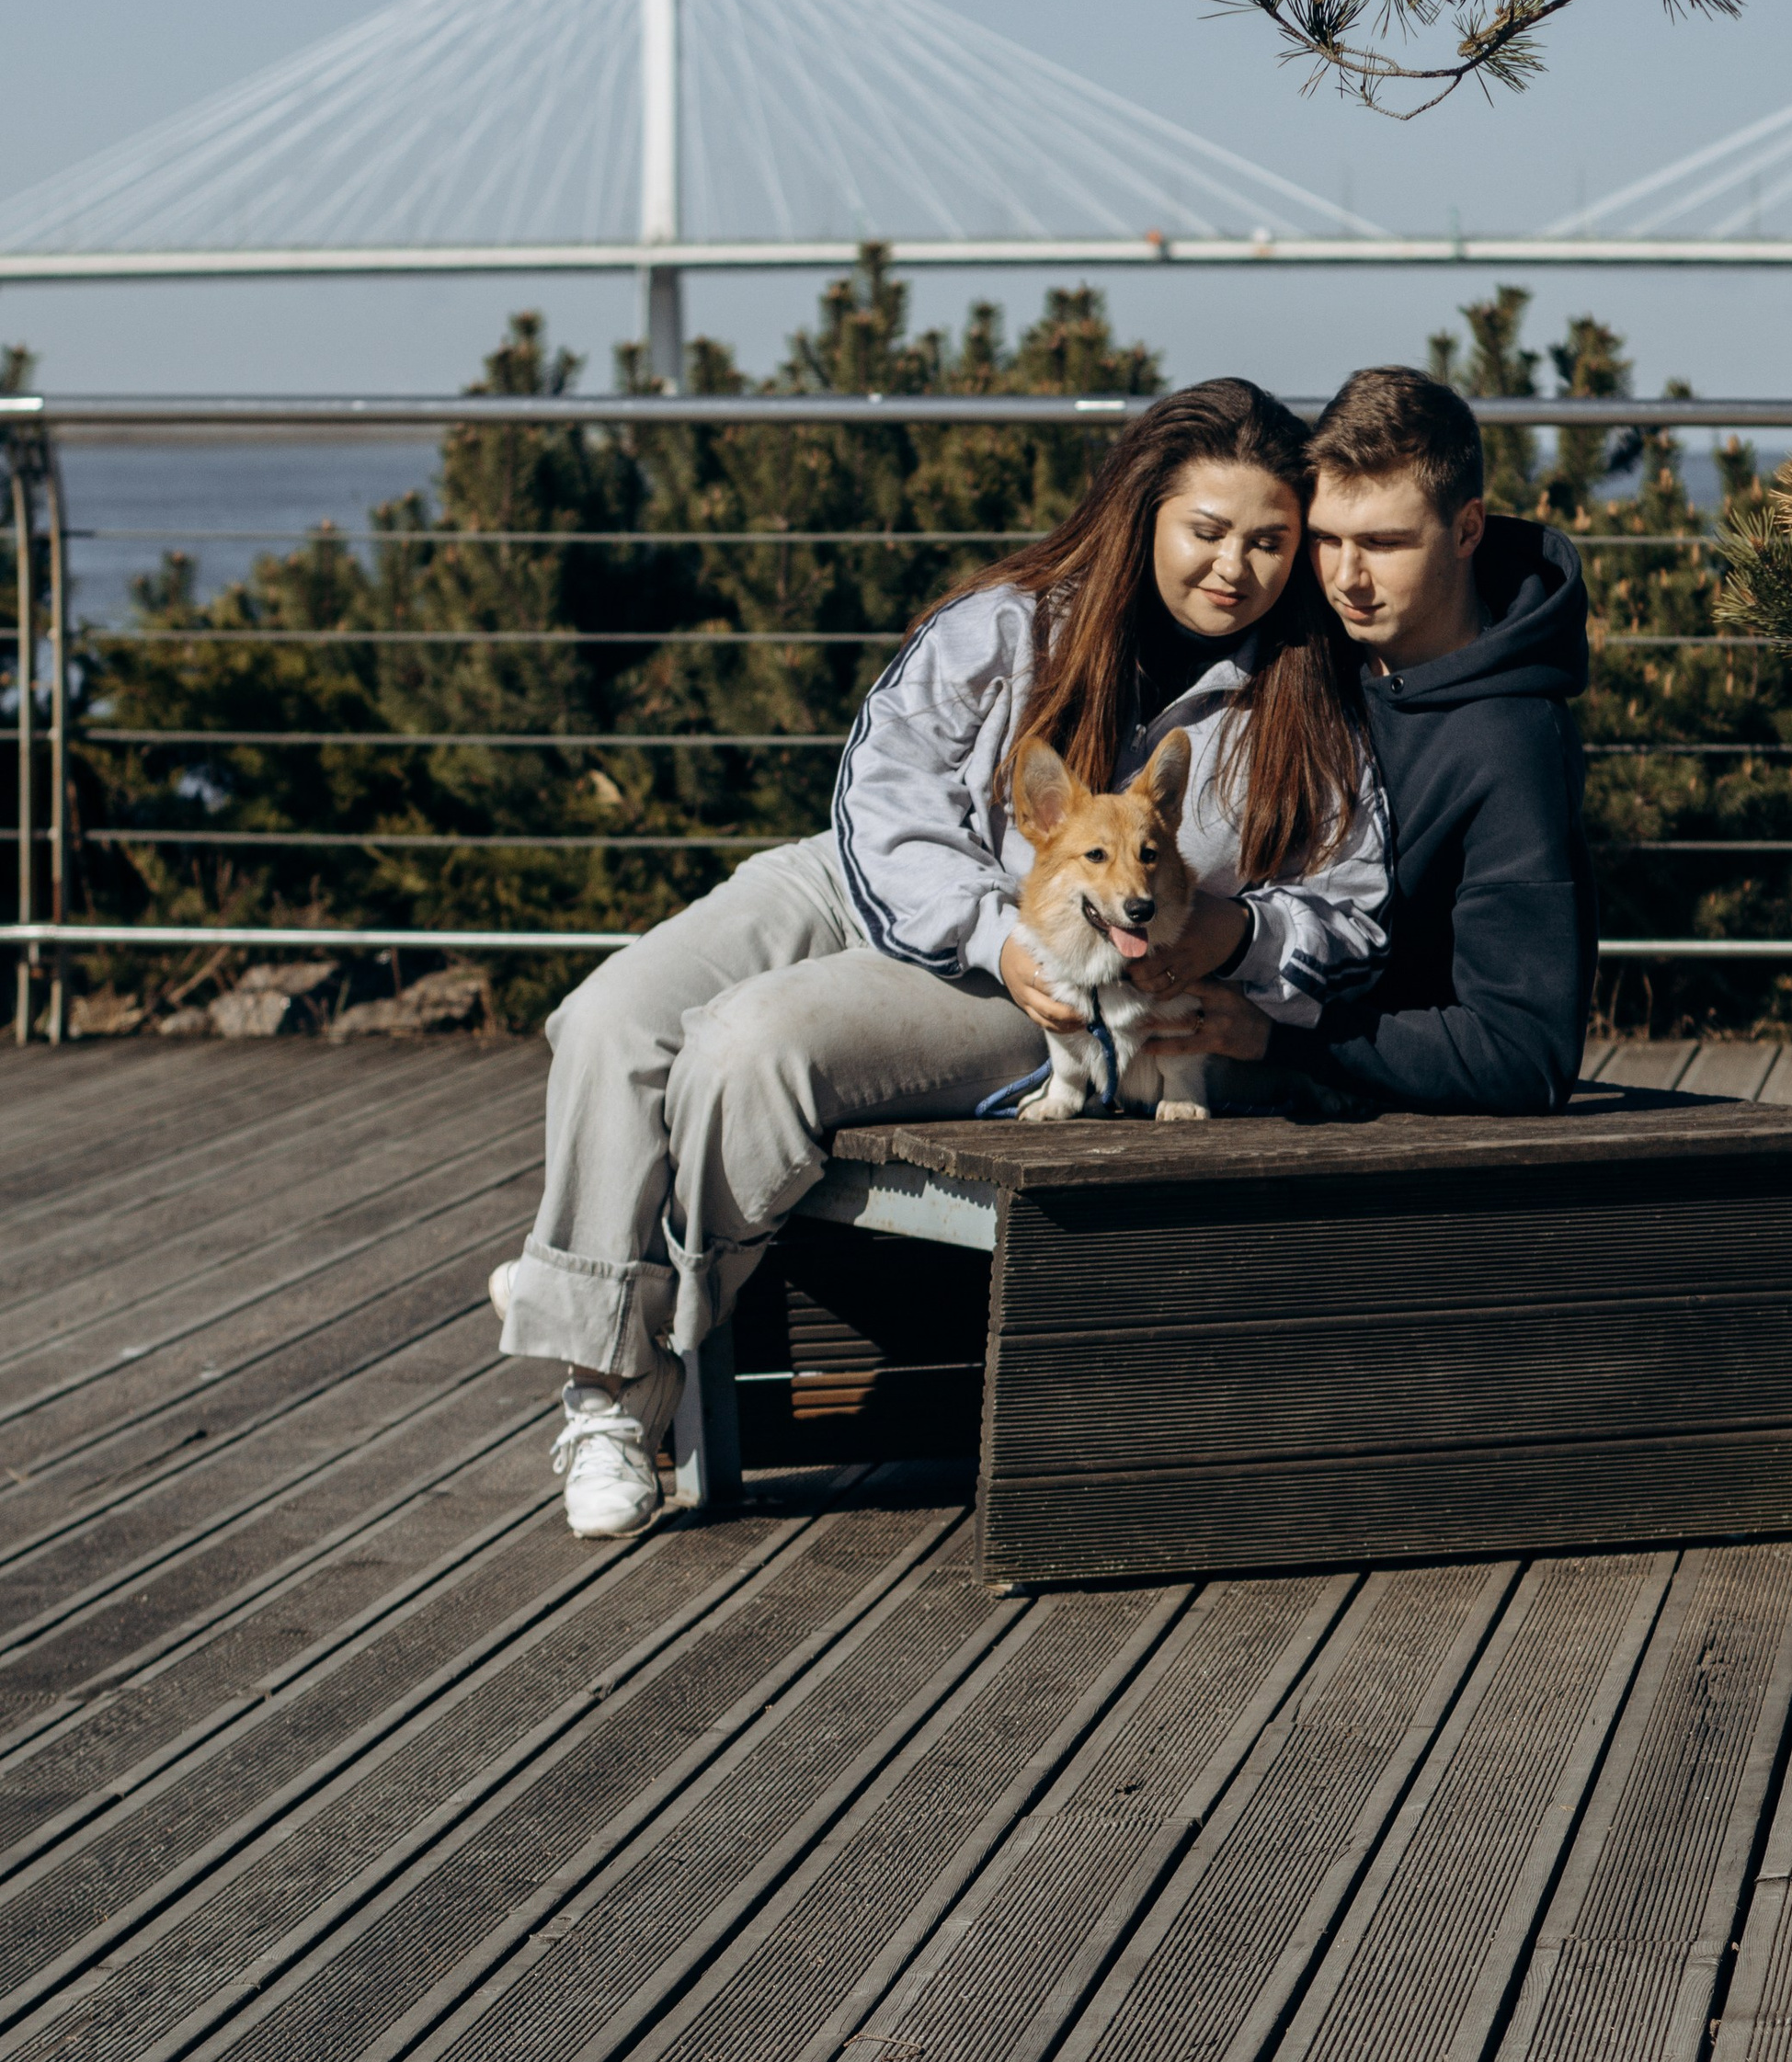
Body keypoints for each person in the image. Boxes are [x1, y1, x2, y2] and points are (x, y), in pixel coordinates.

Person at [492, 378, 1388, 1534]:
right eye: (1206, 532)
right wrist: (981, 923)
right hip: (890, 885)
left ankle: (612, 1375)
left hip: (1067, 974)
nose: (1234, 567)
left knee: (750, 1047)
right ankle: (611, 1306)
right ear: (1143, 515)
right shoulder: (1013, 620)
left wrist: (1243, 934)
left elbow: (1355, 908)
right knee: (613, 1014)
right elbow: (884, 793)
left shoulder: (1306, 701)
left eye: (1270, 541)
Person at [1178, 364, 1594, 1112]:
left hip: (1332, 1101)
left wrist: (1280, 1036)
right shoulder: (1297, 638)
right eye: (1327, 539)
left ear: (1468, 529)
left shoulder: (1512, 744)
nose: (1346, 579)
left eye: (1384, 543)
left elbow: (1524, 1054)